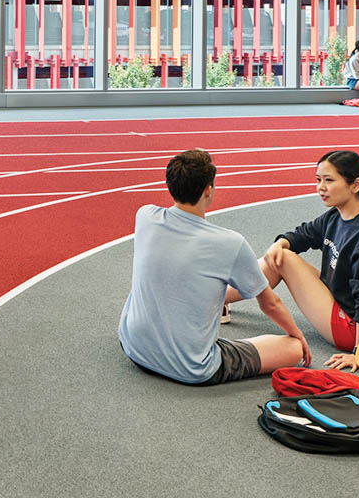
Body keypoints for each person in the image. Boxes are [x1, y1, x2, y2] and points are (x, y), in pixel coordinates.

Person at [119, 149, 310, 386]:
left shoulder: (145, 216)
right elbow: (269, 303)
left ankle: (219, 304)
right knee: (292, 349)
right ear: (208, 190)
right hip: (192, 366)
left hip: (135, 347)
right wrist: (297, 335)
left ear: (170, 185)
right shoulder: (229, 243)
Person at [252, 150, 359, 372]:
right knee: (280, 253)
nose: (320, 187)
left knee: (284, 259)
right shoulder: (336, 216)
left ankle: (213, 301)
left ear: (355, 185)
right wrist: (280, 242)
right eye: (318, 180)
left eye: (329, 180)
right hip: (339, 301)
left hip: (352, 327)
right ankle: (218, 301)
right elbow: (304, 234)